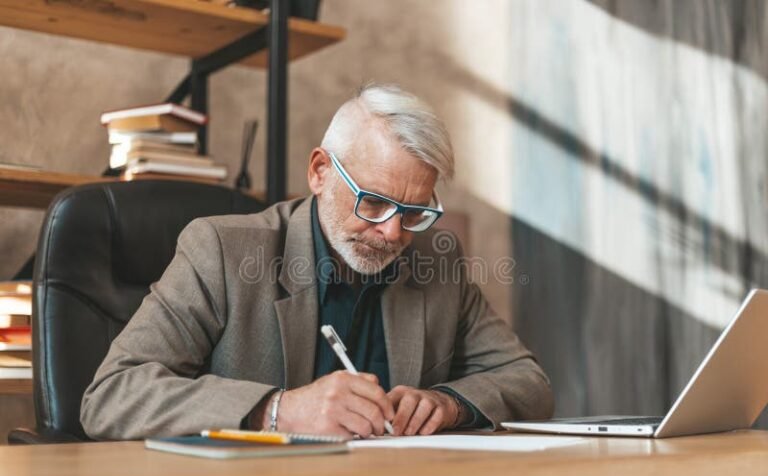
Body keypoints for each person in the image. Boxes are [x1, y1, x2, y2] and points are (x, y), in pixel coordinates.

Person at [80, 84, 554, 440]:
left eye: (414, 213)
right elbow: (112, 395)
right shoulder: (221, 251)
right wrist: (277, 411)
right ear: (320, 172)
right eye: (372, 203)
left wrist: (448, 405)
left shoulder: (437, 262)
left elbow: (530, 382)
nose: (392, 232)